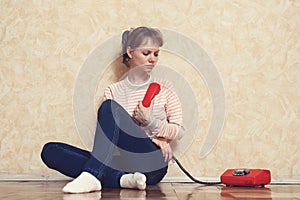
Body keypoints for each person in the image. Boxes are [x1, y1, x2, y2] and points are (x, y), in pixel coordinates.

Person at [41, 26, 184, 193]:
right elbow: (109, 136)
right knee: (50, 151)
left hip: (152, 163)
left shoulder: (165, 88)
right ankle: (122, 180)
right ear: (130, 52)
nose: (152, 59)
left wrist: (151, 123)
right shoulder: (113, 91)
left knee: (109, 109)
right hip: (120, 162)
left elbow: (179, 131)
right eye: (146, 53)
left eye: (156, 54)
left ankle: (93, 175)